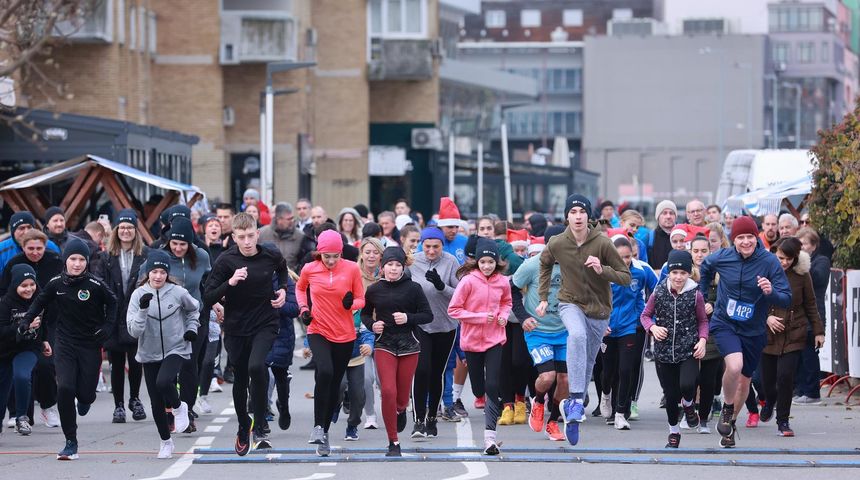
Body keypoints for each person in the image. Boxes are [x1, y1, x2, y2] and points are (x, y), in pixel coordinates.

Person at [537, 194, 631, 446]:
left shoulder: (602, 243)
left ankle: (573, 409)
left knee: (587, 362)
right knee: (576, 336)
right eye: (573, 212)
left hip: (599, 310)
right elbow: (544, 264)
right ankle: (577, 401)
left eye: (582, 212)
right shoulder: (558, 242)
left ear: (589, 216)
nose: (578, 216)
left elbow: (625, 277)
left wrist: (602, 269)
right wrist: (544, 297)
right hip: (569, 302)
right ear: (567, 216)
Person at [699, 216, 792, 448]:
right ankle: (727, 408)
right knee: (734, 366)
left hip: (753, 329)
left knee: (744, 382)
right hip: (725, 322)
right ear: (734, 240)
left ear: (756, 237)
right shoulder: (723, 257)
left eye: (750, 236)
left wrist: (770, 292)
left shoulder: (769, 261)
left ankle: (729, 425)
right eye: (740, 237)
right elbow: (706, 266)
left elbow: (786, 297)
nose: (746, 241)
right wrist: (704, 295)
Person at [203, 213, 290, 455]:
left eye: (251, 236)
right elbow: (208, 297)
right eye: (241, 237)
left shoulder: (270, 254)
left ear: (257, 233)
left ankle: (260, 426)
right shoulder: (226, 261)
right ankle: (244, 425)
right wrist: (229, 283)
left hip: (265, 322)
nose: (247, 241)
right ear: (233, 237)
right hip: (236, 326)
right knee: (241, 377)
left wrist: (283, 289)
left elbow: (283, 269)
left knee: (257, 366)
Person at [23, 237, 117, 460]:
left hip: (90, 344)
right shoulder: (56, 283)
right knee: (65, 388)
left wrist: (107, 327)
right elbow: (39, 302)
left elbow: (113, 303)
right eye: (73, 259)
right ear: (65, 260)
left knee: (86, 394)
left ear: (87, 262)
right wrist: (26, 320)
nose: (77, 264)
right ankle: (70, 442)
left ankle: (85, 400)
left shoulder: (95, 284)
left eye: (81, 260)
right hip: (65, 342)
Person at [296, 230, 365, 457]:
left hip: (345, 334)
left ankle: (324, 433)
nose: (332, 261)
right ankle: (317, 427)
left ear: (341, 253)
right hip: (318, 329)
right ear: (320, 253)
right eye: (327, 256)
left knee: (335, 385)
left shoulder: (352, 269)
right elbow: (300, 288)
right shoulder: (310, 268)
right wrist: (304, 309)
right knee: (324, 371)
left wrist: (351, 303)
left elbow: (361, 299)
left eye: (336, 256)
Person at [127, 250, 200, 458]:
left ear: (167, 274)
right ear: (147, 273)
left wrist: (191, 328)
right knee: (156, 401)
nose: (158, 276)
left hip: (176, 347)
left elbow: (194, 309)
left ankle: (178, 407)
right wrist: (143, 310)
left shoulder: (178, 292)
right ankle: (166, 442)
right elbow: (133, 332)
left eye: (162, 272)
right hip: (149, 351)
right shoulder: (138, 295)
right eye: (154, 272)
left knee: (164, 381)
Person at [362, 247, 432, 456]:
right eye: (389, 265)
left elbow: (427, 315)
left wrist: (408, 318)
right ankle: (393, 441)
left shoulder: (414, 288)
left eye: (397, 265)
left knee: (401, 397)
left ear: (403, 267)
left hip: (409, 345)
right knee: (388, 391)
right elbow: (365, 314)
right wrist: (372, 325)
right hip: (384, 344)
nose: (393, 269)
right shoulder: (374, 290)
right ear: (382, 267)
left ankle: (401, 409)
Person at [448, 238, 512, 455]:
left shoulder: (502, 281)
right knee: (478, 389)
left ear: (497, 262)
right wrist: (480, 317)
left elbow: (506, 303)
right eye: (483, 262)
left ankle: (489, 439)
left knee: (492, 385)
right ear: (477, 262)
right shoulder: (468, 281)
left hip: (495, 339)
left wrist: (503, 316)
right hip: (472, 341)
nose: (487, 266)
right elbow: (454, 310)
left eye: (491, 262)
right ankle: (481, 394)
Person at [640, 250, 709, 449]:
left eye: (683, 273)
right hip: (664, 351)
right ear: (669, 273)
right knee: (670, 396)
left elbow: (703, 321)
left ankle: (688, 404)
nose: (678, 277)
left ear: (689, 273)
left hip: (688, 349)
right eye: (675, 273)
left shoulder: (695, 294)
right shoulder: (659, 291)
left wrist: (702, 340)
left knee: (687, 385)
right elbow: (645, 316)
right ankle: (674, 431)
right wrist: (653, 328)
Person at [760, 237, 824, 436]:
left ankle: (783, 421)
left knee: (785, 377)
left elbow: (811, 303)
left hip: (794, 332)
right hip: (768, 334)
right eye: (781, 258)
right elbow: (754, 301)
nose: (785, 262)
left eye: (789, 258)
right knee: (766, 381)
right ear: (774, 253)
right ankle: (769, 400)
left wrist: (819, 331)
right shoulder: (764, 271)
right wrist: (767, 318)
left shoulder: (802, 275)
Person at [91, 209, 149, 424]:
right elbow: (99, 282)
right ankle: (119, 405)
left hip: (136, 314)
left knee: (135, 361)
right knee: (116, 364)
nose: (126, 231)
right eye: (122, 227)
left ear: (136, 230)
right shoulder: (106, 256)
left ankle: (135, 399)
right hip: (114, 316)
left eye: (130, 227)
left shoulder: (145, 254)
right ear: (116, 230)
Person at [0, 230, 61, 428]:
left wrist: (44, 337)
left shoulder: (54, 261)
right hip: (12, 329)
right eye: (30, 248)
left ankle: (46, 407)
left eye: (39, 248)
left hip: (46, 324)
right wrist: (20, 324)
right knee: (11, 376)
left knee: (45, 366)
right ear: (23, 247)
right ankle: (19, 414)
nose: (35, 252)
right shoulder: (14, 264)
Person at [512, 225, 568, 441]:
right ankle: (537, 401)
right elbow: (512, 290)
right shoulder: (531, 265)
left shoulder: (572, 264)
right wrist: (523, 317)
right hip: (538, 331)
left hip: (564, 331)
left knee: (565, 380)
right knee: (547, 376)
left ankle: (553, 423)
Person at [409, 227, 461, 436]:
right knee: (421, 370)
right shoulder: (413, 261)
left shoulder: (450, 261)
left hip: (445, 325)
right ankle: (418, 421)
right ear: (421, 244)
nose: (431, 251)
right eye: (427, 246)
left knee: (436, 373)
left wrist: (441, 286)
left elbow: (461, 294)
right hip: (420, 324)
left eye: (436, 247)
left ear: (442, 246)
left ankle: (432, 417)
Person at [163, 217, 211, 432]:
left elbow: (208, 282)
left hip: (195, 317)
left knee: (190, 365)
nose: (178, 248)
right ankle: (172, 408)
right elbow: (144, 279)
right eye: (174, 243)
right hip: (168, 319)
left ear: (190, 243)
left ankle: (188, 410)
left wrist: (214, 303)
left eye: (183, 244)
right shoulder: (162, 256)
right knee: (170, 366)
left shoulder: (201, 256)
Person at [600, 236, 650, 431]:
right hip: (607, 328)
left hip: (628, 327)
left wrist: (642, 320)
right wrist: (601, 323)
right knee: (608, 372)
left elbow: (639, 299)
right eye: (620, 257)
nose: (625, 261)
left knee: (626, 369)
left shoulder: (639, 273)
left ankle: (620, 413)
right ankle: (605, 395)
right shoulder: (603, 273)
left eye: (628, 256)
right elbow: (596, 300)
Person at [0, 265, 47, 436]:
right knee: (3, 388)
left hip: (28, 347)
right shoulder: (5, 303)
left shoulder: (40, 299)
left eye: (32, 284)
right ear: (15, 285)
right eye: (24, 286)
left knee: (22, 375)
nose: (29, 289)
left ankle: (21, 417)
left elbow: (47, 322)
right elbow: (2, 331)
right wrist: (23, 325)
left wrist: (45, 340)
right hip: (5, 349)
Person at [690, 235, 724, 433]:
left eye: (704, 251)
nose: (700, 255)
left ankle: (703, 417)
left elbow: (728, 300)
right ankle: (690, 410)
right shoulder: (684, 274)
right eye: (696, 251)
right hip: (689, 332)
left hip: (713, 331)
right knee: (690, 378)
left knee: (709, 379)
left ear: (710, 252)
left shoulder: (719, 275)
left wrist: (714, 305)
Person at [793, 227, 829, 405]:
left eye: (805, 244)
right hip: (799, 317)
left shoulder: (821, 261)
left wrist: (803, 264)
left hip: (814, 316)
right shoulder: (796, 264)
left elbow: (819, 278)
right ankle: (801, 390)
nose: (801, 248)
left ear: (813, 245)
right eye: (798, 245)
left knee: (810, 355)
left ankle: (812, 392)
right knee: (800, 355)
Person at [265, 264, 299, 432]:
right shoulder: (250, 276)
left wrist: (276, 302)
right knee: (259, 373)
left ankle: (283, 406)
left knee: (280, 375)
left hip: (282, 334)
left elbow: (294, 309)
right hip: (259, 332)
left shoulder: (286, 281)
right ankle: (261, 416)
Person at [357, 237, 385, 428]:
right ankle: (370, 415)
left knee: (384, 379)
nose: (371, 256)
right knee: (367, 377)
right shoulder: (353, 274)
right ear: (361, 254)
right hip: (362, 330)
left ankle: (392, 408)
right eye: (367, 252)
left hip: (384, 330)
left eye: (376, 252)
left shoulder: (388, 273)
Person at [435, 198, 468, 264]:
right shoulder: (430, 242)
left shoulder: (465, 241)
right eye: (450, 227)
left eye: (457, 227)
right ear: (440, 226)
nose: (454, 231)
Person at [647, 200, 678, 270]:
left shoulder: (683, 235)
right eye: (664, 213)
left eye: (671, 213)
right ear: (658, 217)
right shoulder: (649, 238)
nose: (668, 216)